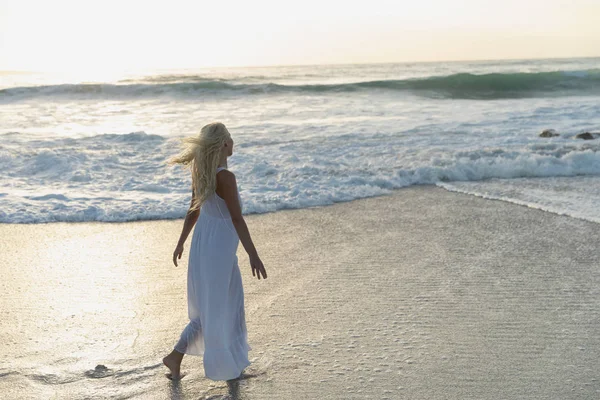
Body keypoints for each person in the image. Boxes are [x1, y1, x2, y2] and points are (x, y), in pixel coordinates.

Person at [163, 122, 267, 381]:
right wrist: (253, 254)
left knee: (216, 307)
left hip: (204, 245)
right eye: (230, 138)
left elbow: (193, 211)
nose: (233, 142)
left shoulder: (201, 172)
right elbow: (236, 219)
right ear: (223, 144)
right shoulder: (225, 177)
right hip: (218, 250)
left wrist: (182, 242)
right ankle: (225, 367)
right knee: (223, 307)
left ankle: (179, 357)